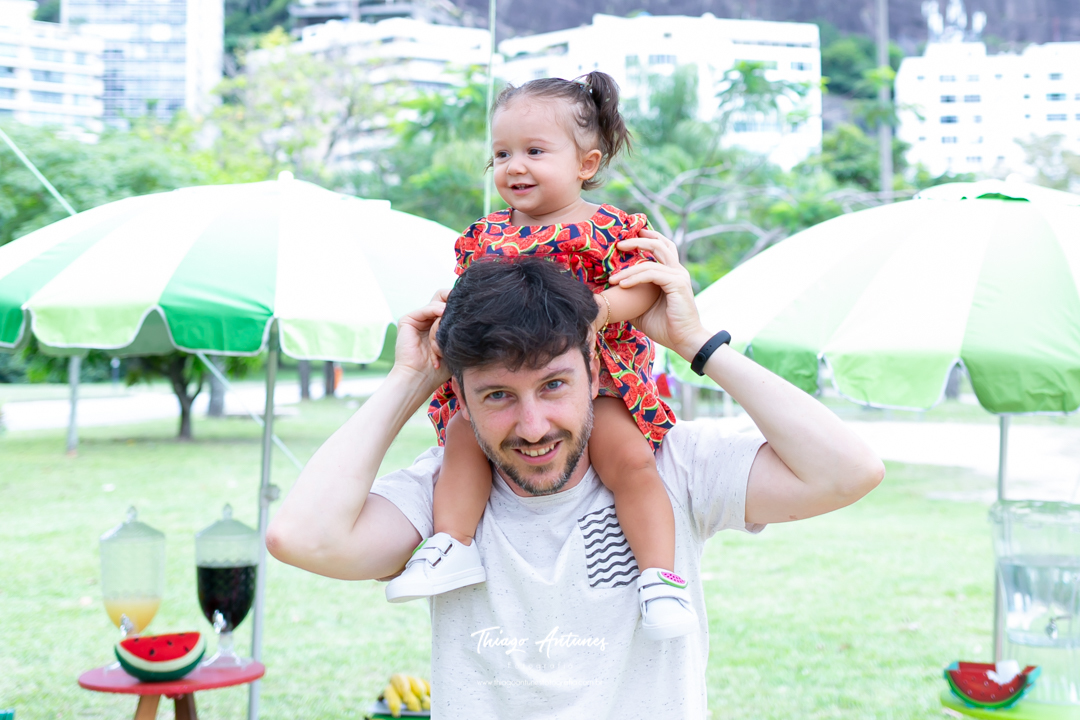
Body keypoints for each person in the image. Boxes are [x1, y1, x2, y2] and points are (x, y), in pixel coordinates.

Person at [267, 240, 885, 718]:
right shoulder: (441, 495)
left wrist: (698, 343)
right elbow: (302, 537)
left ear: (595, 367)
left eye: (554, 385)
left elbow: (848, 471)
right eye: (499, 396)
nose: (533, 425)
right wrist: (409, 379)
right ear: (458, 393)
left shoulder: (671, 468)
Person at [383, 71, 694, 641]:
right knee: (461, 439)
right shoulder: (484, 236)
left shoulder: (605, 228)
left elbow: (648, 286)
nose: (514, 166)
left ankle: (659, 576)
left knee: (629, 461)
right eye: (501, 154)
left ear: (586, 164)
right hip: (504, 377)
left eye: (534, 151)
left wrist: (596, 310)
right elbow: (467, 291)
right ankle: (452, 543)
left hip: (594, 377)